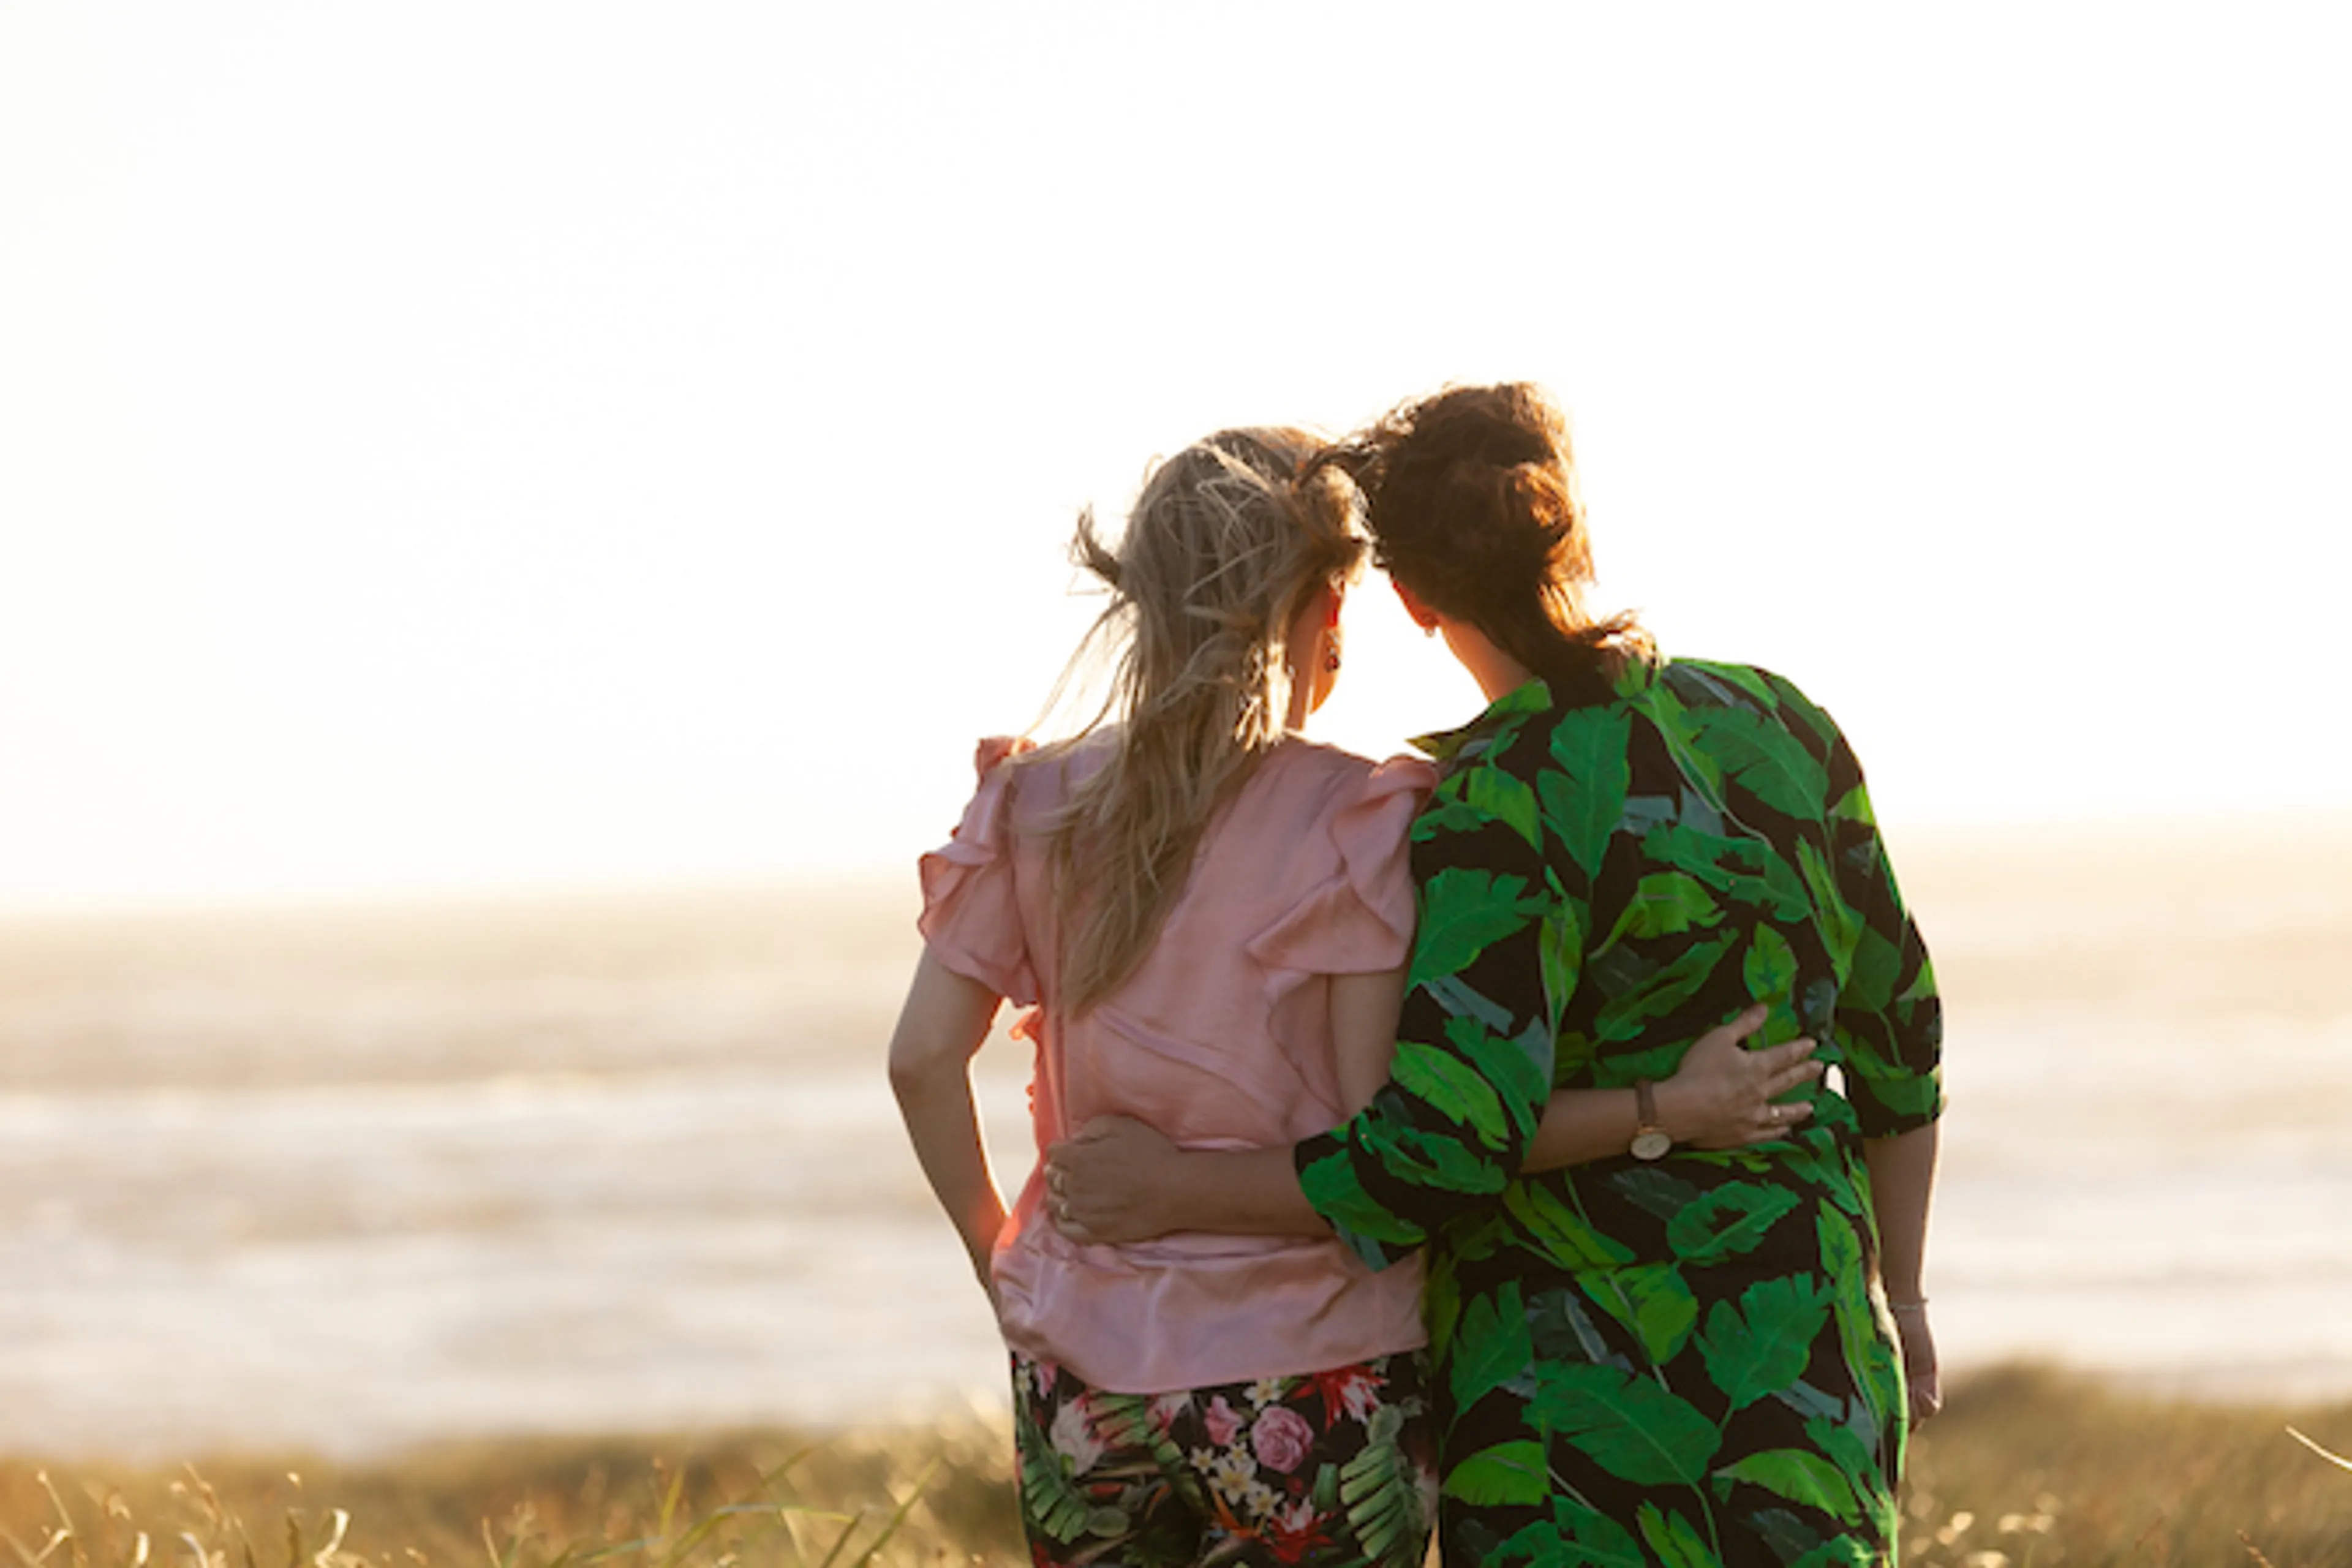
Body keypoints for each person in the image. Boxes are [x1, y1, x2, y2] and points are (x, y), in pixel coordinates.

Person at [888, 425, 1817, 1568]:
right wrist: (1660, 1108)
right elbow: (1377, 1140)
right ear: (1326, 605)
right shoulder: (1358, 817)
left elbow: (920, 1062)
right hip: (1310, 1369)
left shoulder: (1034, 801)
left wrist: (1003, 1263)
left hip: (1077, 1373)